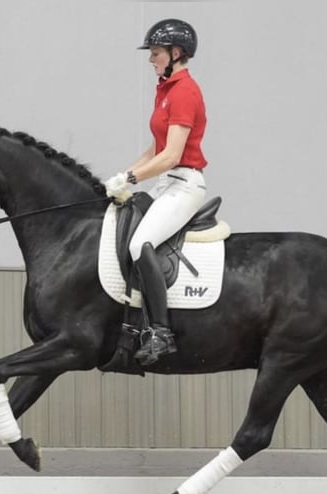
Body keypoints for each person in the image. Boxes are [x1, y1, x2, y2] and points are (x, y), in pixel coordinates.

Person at [105, 18, 208, 366]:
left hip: (185, 183)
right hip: (167, 182)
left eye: (156, 53)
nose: (151, 59)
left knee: (139, 244)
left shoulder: (184, 91)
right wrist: (124, 174)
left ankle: (162, 332)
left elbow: (172, 155)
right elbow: (155, 147)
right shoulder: (165, 89)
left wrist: (132, 179)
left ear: (176, 53)